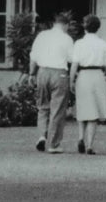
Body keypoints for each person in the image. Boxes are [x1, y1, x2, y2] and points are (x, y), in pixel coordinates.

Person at [29, 12, 75, 153]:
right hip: (59, 73)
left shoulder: (42, 36)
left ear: (54, 24)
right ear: (65, 25)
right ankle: (53, 144)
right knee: (57, 109)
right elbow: (71, 59)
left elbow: (33, 56)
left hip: (42, 72)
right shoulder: (67, 39)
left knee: (42, 107)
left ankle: (42, 135)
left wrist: (31, 74)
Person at [70, 14, 106, 154]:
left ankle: (81, 137)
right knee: (94, 111)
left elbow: (74, 65)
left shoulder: (79, 43)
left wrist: (71, 80)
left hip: (83, 76)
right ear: (98, 27)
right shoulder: (102, 44)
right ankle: (89, 145)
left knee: (83, 108)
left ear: (85, 27)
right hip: (98, 76)